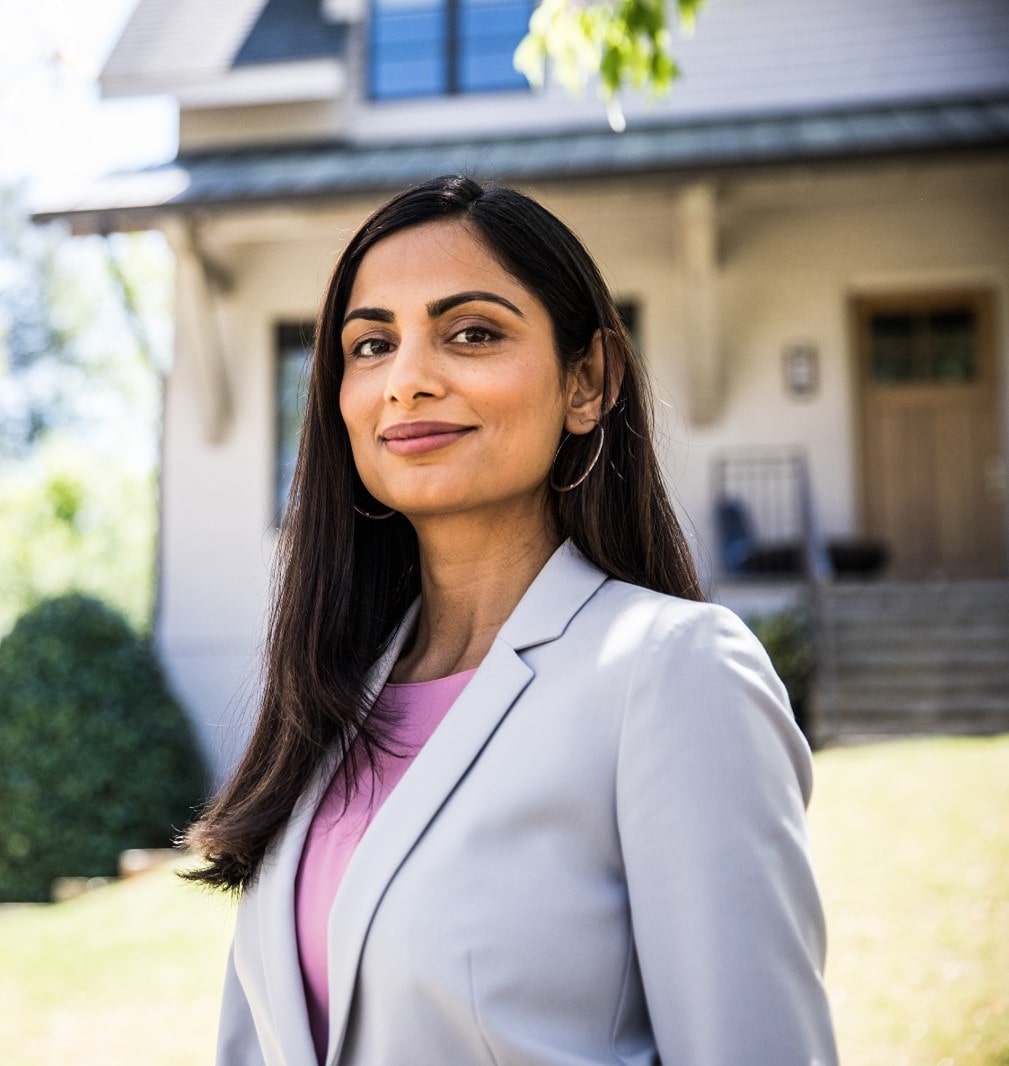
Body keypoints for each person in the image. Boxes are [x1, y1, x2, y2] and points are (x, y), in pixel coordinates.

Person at [185, 174, 838, 1066]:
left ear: (588, 380)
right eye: (370, 344)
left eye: (472, 333)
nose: (406, 381)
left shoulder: (673, 673)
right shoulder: (327, 699)